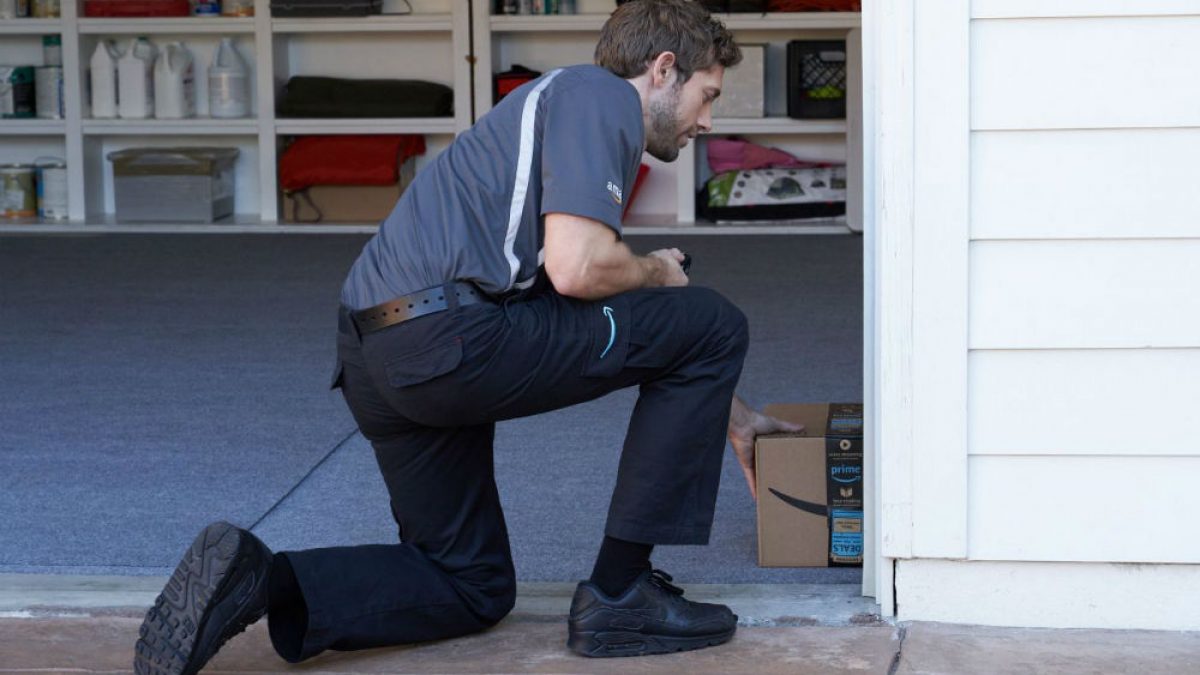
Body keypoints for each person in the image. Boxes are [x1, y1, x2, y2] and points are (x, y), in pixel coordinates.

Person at [133, 1, 802, 672]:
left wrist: (734, 416)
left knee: (469, 583)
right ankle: (621, 592)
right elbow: (578, 271)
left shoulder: (547, 105)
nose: (706, 121)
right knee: (712, 320)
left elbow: (582, 289)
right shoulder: (602, 97)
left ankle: (259, 579)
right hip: (450, 337)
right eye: (707, 96)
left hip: (378, 352)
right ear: (663, 69)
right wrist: (657, 270)